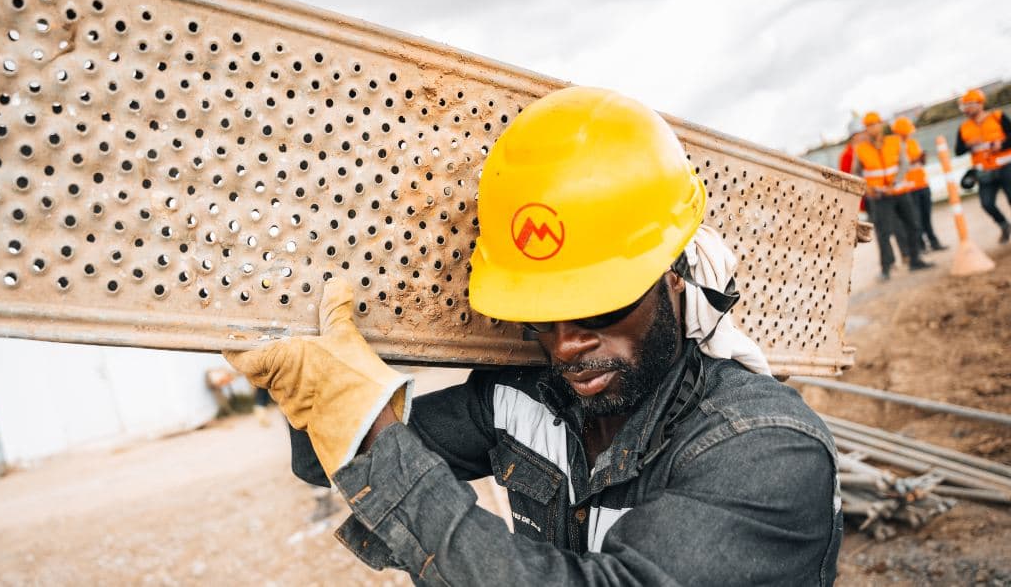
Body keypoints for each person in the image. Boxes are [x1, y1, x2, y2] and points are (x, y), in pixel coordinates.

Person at [225, 88, 842, 585]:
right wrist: (325, 383)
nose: (566, 346)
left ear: (674, 274)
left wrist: (368, 421)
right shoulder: (522, 401)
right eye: (541, 318)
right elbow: (332, 462)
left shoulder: (767, 449)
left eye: (599, 308)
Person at [854, 111, 933, 280]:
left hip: (899, 191)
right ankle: (886, 268)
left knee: (913, 224)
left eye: (875, 124)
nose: (873, 128)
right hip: (878, 197)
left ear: (881, 124)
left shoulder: (895, 142)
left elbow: (904, 164)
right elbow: (856, 173)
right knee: (883, 233)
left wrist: (894, 183)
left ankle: (914, 259)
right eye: (869, 125)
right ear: (865, 129)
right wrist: (867, 189)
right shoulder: (860, 149)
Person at [954, 88, 1011, 244]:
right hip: (984, 171)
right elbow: (958, 151)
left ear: (980, 104)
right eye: (965, 105)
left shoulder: (997, 117)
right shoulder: (964, 127)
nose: (967, 108)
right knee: (987, 203)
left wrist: (1002, 145)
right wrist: (968, 145)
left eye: (970, 104)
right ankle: (1004, 225)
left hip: (1006, 166)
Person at [889, 116, 945, 251]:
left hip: (922, 184)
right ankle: (921, 246)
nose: (909, 133)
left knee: (926, 217)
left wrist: (922, 158)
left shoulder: (913, 142)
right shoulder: (894, 147)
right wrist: (914, 160)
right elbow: (899, 166)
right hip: (909, 188)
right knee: (915, 219)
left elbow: (921, 162)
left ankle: (933, 242)